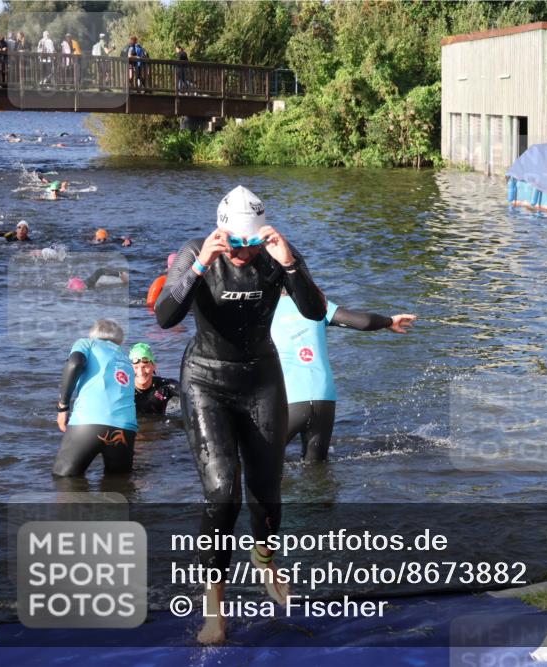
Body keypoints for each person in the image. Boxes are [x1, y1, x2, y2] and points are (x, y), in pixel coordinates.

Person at [155, 185, 326, 644]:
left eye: (250, 244)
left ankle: (265, 560)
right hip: (206, 380)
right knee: (222, 491)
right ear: (220, 232)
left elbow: (315, 311)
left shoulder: (275, 254)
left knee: (267, 495)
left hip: (261, 380)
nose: (243, 253)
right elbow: (165, 317)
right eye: (234, 243)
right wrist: (197, 266)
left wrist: (289, 263)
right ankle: (216, 609)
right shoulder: (197, 253)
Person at [272, 297, 416, 461]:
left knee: (261, 459)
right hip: (325, 399)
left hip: (290, 400)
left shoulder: (263, 305)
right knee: (316, 469)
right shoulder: (316, 301)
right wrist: (389, 321)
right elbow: (364, 322)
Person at [54, 319, 138, 476]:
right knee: (118, 485)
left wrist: (63, 406)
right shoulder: (126, 359)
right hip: (126, 428)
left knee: (64, 479)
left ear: (94, 334)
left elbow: (74, 363)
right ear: (120, 339)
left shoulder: (87, 343)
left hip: (88, 423)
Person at [128, 343, 180, 416]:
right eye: (136, 367)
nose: (140, 372)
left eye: (145, 367)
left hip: (159, 426)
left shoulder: (165, 386)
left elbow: (190, 393)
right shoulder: (124, 389)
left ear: (154, 366)